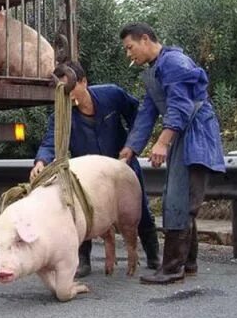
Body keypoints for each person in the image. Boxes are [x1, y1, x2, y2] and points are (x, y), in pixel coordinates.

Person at [118, 22, 225, 285]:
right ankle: (188, 263)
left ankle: (172, 269)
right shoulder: (155, 69)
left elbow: (180, 105)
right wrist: (131, 147)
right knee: (177, 199)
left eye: (130, 47)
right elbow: (147, 112)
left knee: (180, 201)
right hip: (182, 136)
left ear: (145, 39)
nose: (128, 54)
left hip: (195, 135)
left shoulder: (174, 63)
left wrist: (163, 142)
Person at [30, 62, 160, 277]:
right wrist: (41, 162)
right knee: (81, 213)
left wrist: (132, 145)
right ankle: (83, 261)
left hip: (121, 164)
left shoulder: (112, 94)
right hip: (89, 175)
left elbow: (139, 114)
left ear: (83, 82)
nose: (68, 96)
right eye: (61, 92)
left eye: (70, 89)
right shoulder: (61, 115)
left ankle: (154, 256)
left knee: (139, 209)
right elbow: (49, 143)